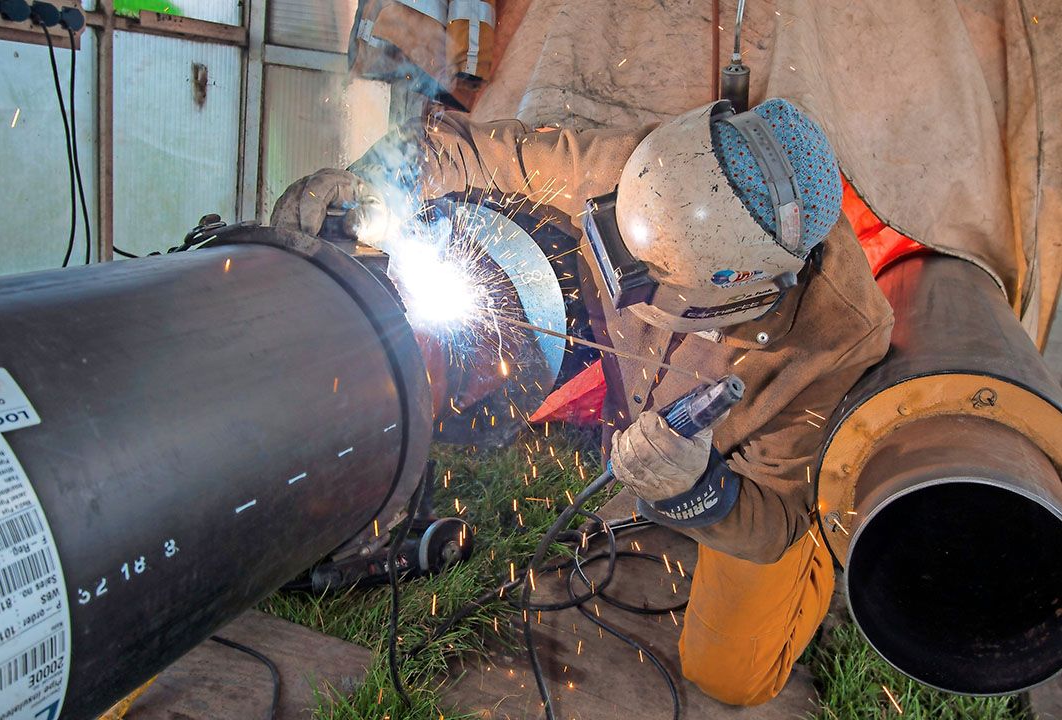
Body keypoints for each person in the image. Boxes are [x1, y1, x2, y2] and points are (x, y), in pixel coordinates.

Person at [272, 96, 893, 706]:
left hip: (755, 479)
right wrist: (367, 183)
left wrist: (700, 489)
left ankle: (818, 557)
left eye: (650, 276)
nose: (620, 277)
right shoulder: (632, 171)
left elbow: (772, 521)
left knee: (728, 674)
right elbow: (461, 149)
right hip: (644, 393)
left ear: (735, 291)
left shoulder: (833, 335)